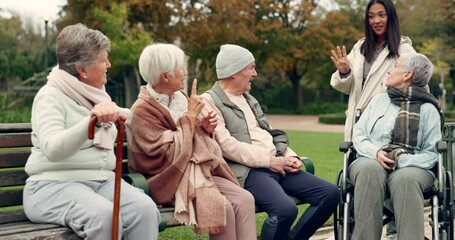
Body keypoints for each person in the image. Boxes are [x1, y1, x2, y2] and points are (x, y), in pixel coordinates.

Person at [23, 24, 160, 240]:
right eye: (102, 60)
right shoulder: (50, 96)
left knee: (144, 210)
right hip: (51, 187)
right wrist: (91, 121)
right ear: (82, 70)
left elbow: (130, 117)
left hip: (102, 182)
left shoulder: (96, 95)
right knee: (104, 217)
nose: (108, 64)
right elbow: (52, 149)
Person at [200, 44, 340, 240]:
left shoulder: (249, 99)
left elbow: (269, 133)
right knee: (285, 210)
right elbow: (227, 146)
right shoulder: (209, 101)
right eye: (251, 68)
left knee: (330, 194)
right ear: (234, 72)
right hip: (249, 171)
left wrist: (290, 156)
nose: (255, 74)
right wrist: (270, 161)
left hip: (276, 164)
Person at [126, 43, 257, 240]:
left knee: (245, 199)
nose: (185, 72)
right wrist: (191, 119)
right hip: (166, 178)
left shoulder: (179, 98)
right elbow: (166, 155)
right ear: (165, 76)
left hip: (196, 171)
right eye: (180, 67)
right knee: (223, 208)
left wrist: (204, 127)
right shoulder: (141, 111)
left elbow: (190, 137)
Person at [350, 52, 443, 240]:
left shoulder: (428, 109)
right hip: (370, 159)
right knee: (370, 170)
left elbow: (431, 153)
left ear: (407, 75)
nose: (389, 71)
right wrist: (375, 152)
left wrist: (400, 159)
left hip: (413, 167)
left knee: (405, 180)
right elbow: (359, 135)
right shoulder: (377, 101)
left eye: (395, 66)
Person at [330, 0, 416, 142]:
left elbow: (419, 86)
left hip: (385, 126)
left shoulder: (404, 50)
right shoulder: (360, 48)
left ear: (391, 17)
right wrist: (344, 72)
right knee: (354, 163)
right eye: (371, 16)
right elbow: (343, 87)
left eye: (381, 15)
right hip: (357, 122)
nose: (376, 21)